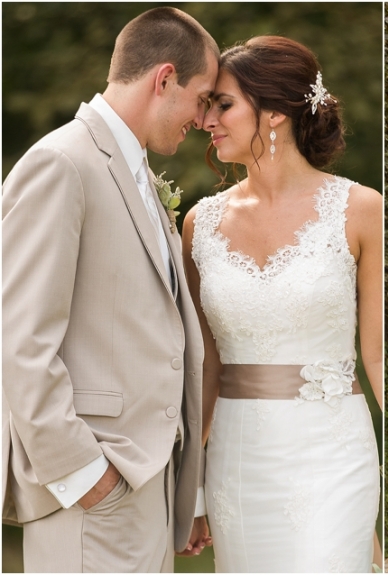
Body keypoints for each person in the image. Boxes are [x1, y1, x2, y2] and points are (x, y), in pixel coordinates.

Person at [2, 8, 218, 572]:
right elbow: (19, 339)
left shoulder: (137, 172)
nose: (202, 118)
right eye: (201, 98)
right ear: (164, 79)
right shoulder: (61, 163)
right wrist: (82, 473)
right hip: (94, 489)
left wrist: (182, 488)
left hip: (143, 483)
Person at [181, 36, 382, 572]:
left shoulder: (362, 210)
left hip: (334, 453)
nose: (208, 121)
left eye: (223, 105)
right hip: (238, 461)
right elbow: (205, 367)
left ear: (274, 113)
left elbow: (379, 356)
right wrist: (190, 488)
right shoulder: (198, 225)